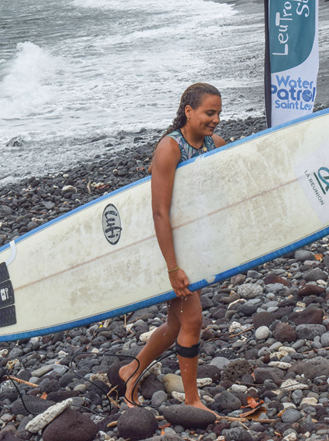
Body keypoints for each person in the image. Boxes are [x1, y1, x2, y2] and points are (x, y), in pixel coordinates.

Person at [118, 83, 225, 415]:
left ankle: (131, 369)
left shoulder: (215, 145)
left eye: (220, 113)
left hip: (189, 245)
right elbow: (159, 212)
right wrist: (172, 268)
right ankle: (192, 399)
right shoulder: (170, 148)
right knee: (192, 319)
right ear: (189, 112)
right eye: (210, 112)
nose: (217, 119)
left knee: (176, 324)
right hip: (164, 247)